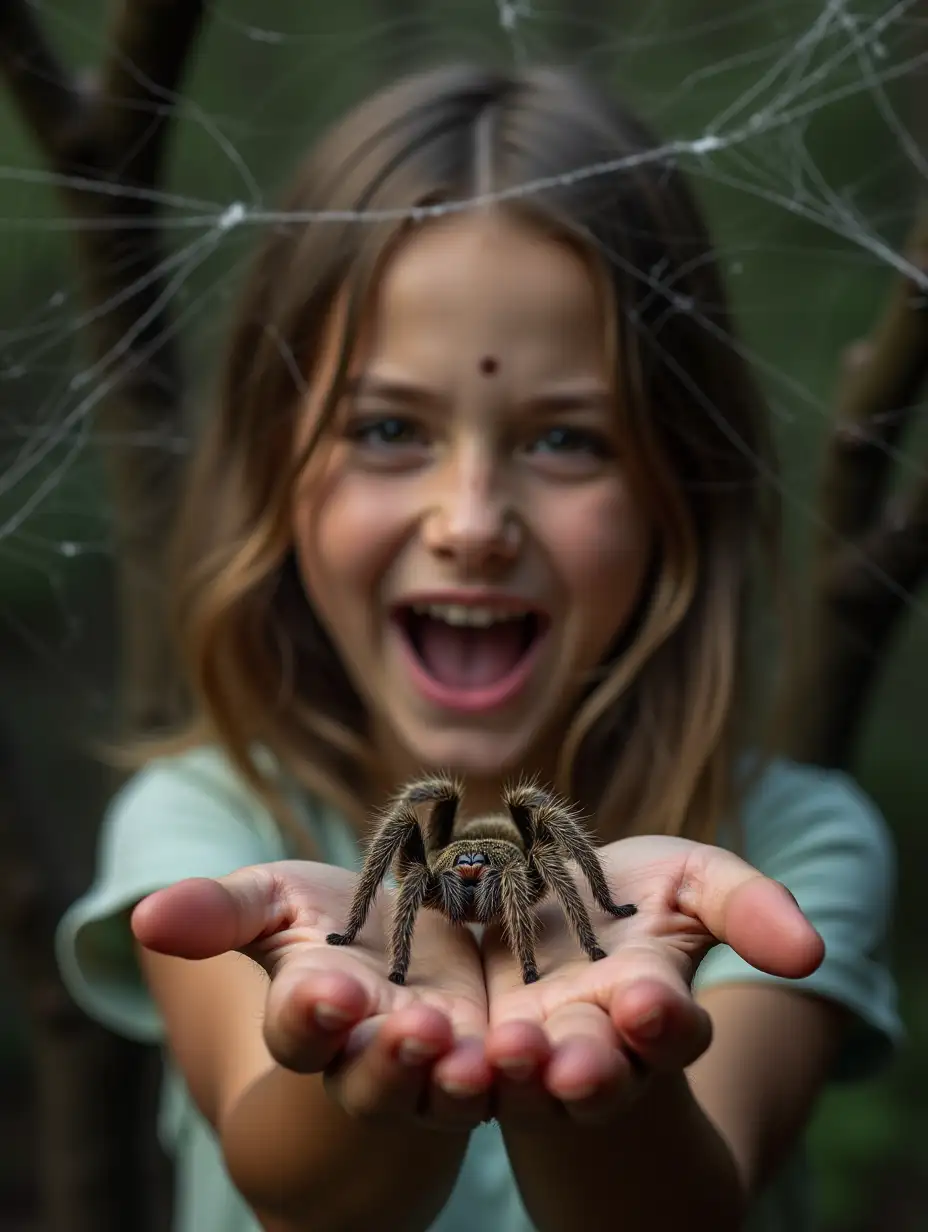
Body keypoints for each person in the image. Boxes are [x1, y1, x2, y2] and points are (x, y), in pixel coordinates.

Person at [55, 62, 902, 1232]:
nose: (469, 523)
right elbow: (291, 1178)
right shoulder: (208, 828)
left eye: (565, 437)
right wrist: (375, 1019)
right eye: (389, 427)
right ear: (273, 477)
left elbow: (686, 1200)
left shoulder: (791, 852)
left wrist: (596, 1013)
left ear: (677, 494)